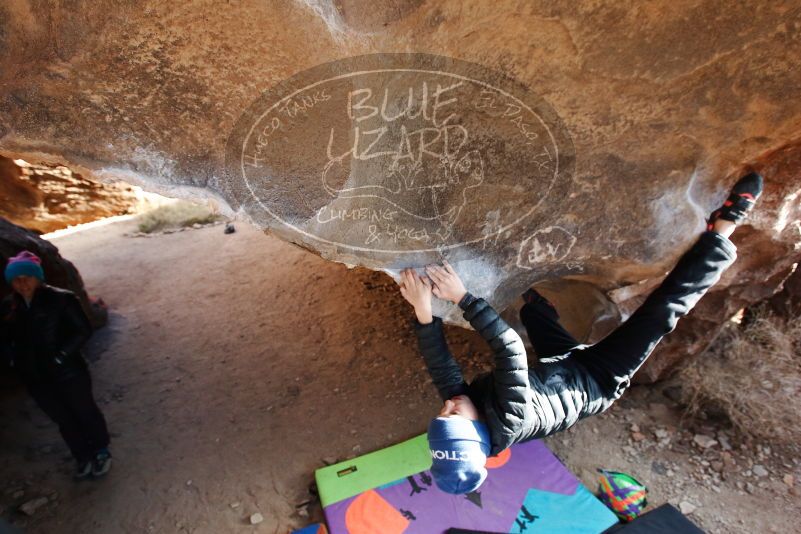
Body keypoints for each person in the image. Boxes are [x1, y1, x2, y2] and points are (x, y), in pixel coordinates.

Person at [398, 172, 763, 494]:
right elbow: (509, 349)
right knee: (661, 313)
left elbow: (442, 367)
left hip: (559, 367)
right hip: (599, 378)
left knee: (534, 311)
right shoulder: (510, 418)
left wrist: (423, 309)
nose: (447, 405)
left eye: (441, 415)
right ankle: (724, 230)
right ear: (477, 432)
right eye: (452, 416)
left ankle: (545, 300)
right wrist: (461, 296)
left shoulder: (462, 409)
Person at [0, 250, 112, 479]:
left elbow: (82, 330)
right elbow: (4, 338)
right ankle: (82, 456)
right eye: (16, 279)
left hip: (69, 372)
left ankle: (100, 451)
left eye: (27, 277)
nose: (22, 283)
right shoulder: (9, 307)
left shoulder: (61, 299)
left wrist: (61, 356)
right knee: (63, 419)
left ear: (38, 277)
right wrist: (13, 359)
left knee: (85, 411)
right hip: (35, 377)